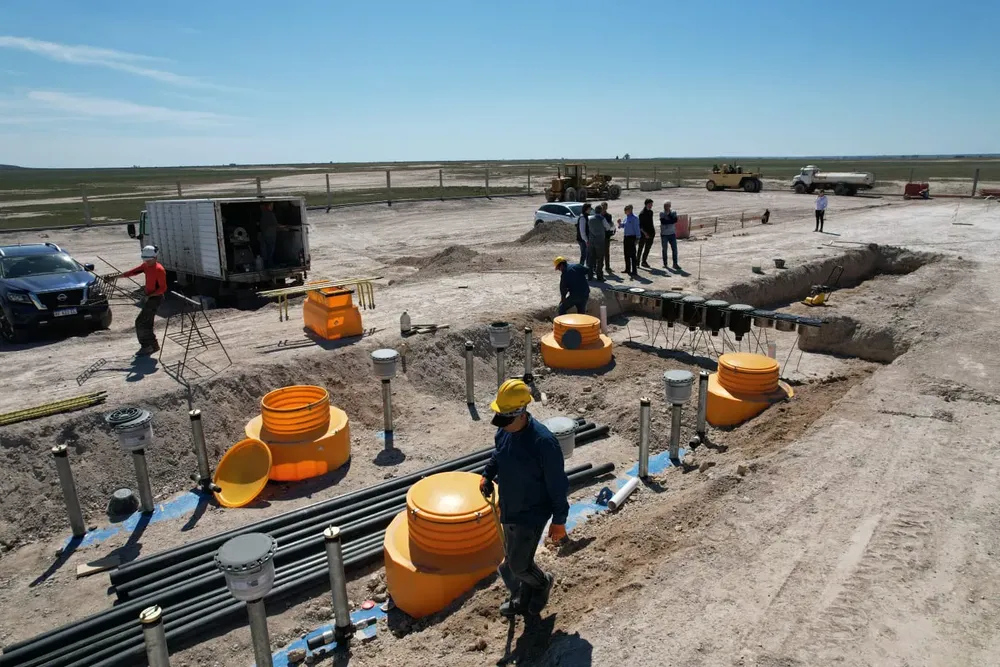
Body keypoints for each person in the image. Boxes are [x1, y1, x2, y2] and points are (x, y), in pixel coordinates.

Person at [480, 379, 569, 618]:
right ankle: (523, 593)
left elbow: (558, 484)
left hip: (532, 512)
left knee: (519, 564)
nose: (500, 424)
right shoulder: (505, 431)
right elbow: (499, 454)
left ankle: (542, 583)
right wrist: (487, 475)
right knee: (512, 557)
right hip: (509, 506)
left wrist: (559, 520)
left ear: (521, 413)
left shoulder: (544, 443)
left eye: (505, 418)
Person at [120, 245, 167, 356]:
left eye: (149, 260)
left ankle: (147, 346)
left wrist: (150, 296)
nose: (147, 262)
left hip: (155, 298)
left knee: (141, 322)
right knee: (147, 322)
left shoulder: (159, 270)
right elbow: (133, 272)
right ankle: (153, 346)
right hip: (149, 297)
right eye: (145, 260)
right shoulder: (146, 266)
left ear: (155, 258)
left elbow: (163, 288)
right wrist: (116, 277)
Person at [617, 204, 640, 277]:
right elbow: (622, 226)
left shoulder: (635, 218)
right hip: (626, 237)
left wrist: (638, 238)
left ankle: (634, 270)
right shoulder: (626, 218)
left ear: (630, 210)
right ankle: (627, 269)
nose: (625, 211)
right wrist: (619, 223)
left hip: (632, 237)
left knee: (632, 254)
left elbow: (637, 228)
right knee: (626, 253)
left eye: (626, 210)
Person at [586, 203, 606, 281]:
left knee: (591, 259)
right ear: (601, 211)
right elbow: (608, 227)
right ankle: (599, 276)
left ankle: (590, 276)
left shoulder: (589, 218)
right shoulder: (602, 219)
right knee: (600, 259)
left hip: (591, 241)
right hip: (600, 241)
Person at [659, 200, 681, 271]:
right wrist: (670, 220)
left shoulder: (673, 212)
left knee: (674, 249)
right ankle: (665, 263)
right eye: (665, 206)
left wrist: (669, 215)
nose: (666, 207)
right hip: (664, 234)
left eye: (667, 206)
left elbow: (675, 220)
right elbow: (663, 222)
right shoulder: (662, 213)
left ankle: (675, 263)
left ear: (670, 206)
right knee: (664, 249)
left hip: (672, 233)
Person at [259, 202, 282, 268]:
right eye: (271, 205)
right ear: (268, 206)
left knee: (265, 250)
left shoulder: (263, 214)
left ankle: (266, 264)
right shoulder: (271, 214)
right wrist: (283, 227)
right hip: (271, 235)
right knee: (271, 250)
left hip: (265, 234)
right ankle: (270, 265)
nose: (272, 207)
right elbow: (275, 225)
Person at [636, 198, 655, 268]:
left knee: (647, 248)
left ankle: (644, 261)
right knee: (640, 248)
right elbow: (640, 226)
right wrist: (645, 233)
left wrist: (652, 232)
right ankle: (637, 262)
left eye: (651, 204)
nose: (651, 205)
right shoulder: (642, 213)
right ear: (646, 204)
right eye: (650, 204)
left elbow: (651, 223)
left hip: (651, 233)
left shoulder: (651, 212)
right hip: (643, 234)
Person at [600, 202, 615, 274]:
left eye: (605, 207)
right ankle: (599, 267)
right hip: (599, 236)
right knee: (599, 253)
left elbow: (609, 225)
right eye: (603, 207)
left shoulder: (608, 216)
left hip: (606, 236)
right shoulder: (597, 215)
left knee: (606, 252)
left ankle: (607, 266)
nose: (604, 208)